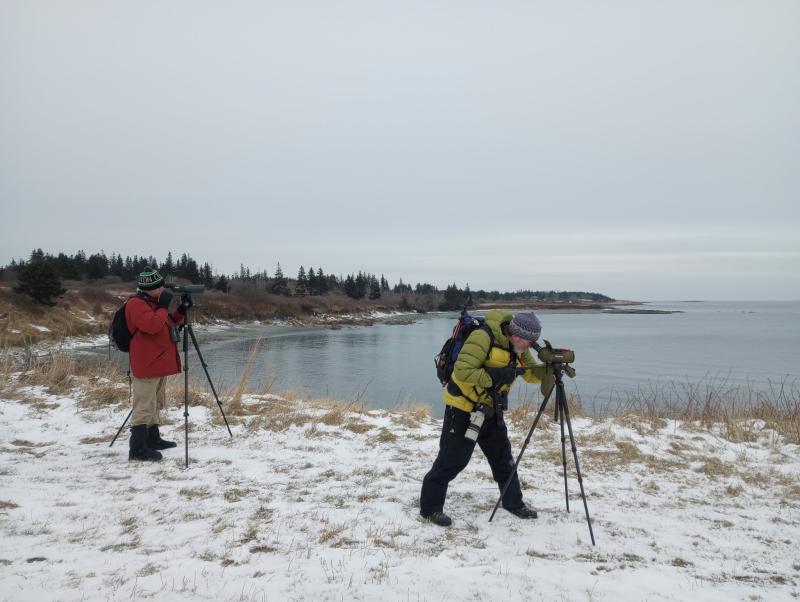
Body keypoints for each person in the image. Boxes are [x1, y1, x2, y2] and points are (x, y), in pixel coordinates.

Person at [420, 310, 551, 527]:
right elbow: (462, 371)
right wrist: (495, 377)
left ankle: (513, 503)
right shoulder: (483, 337)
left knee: (503, 459)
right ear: (516, 333)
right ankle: (430, 509)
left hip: (491, 408)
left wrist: (548, 368)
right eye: (529, 341)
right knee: (452, 459)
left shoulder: (518, 348)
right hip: (463, 407)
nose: (530, 347)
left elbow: (529, 374)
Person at [124, 267, 191, 461]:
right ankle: (136, 449)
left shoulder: (152, 302)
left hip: (157, 362)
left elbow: (166, 323)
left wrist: (180, 311)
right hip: (146, 363)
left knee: (156, 402)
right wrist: (163, 306)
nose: (163, 289)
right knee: (143, 405)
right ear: (149, 288)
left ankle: (152, 439)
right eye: (159, 286)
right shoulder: (136, 304)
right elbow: (152, 326)